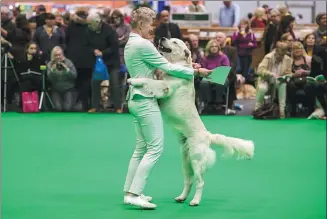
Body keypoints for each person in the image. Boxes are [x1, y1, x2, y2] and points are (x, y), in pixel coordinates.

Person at [123, 7, 212, 209]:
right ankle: (135, 193)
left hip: (135, 99)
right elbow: (168, 67)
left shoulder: (130, 43)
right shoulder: (144, 44)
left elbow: (160, 66)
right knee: (155, 148)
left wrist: (192, 67)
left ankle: (130, 192)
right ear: (140, 25)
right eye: (150, 25)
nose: (152, 29)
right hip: (145, 100)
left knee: (140, 149)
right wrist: (197, 73)